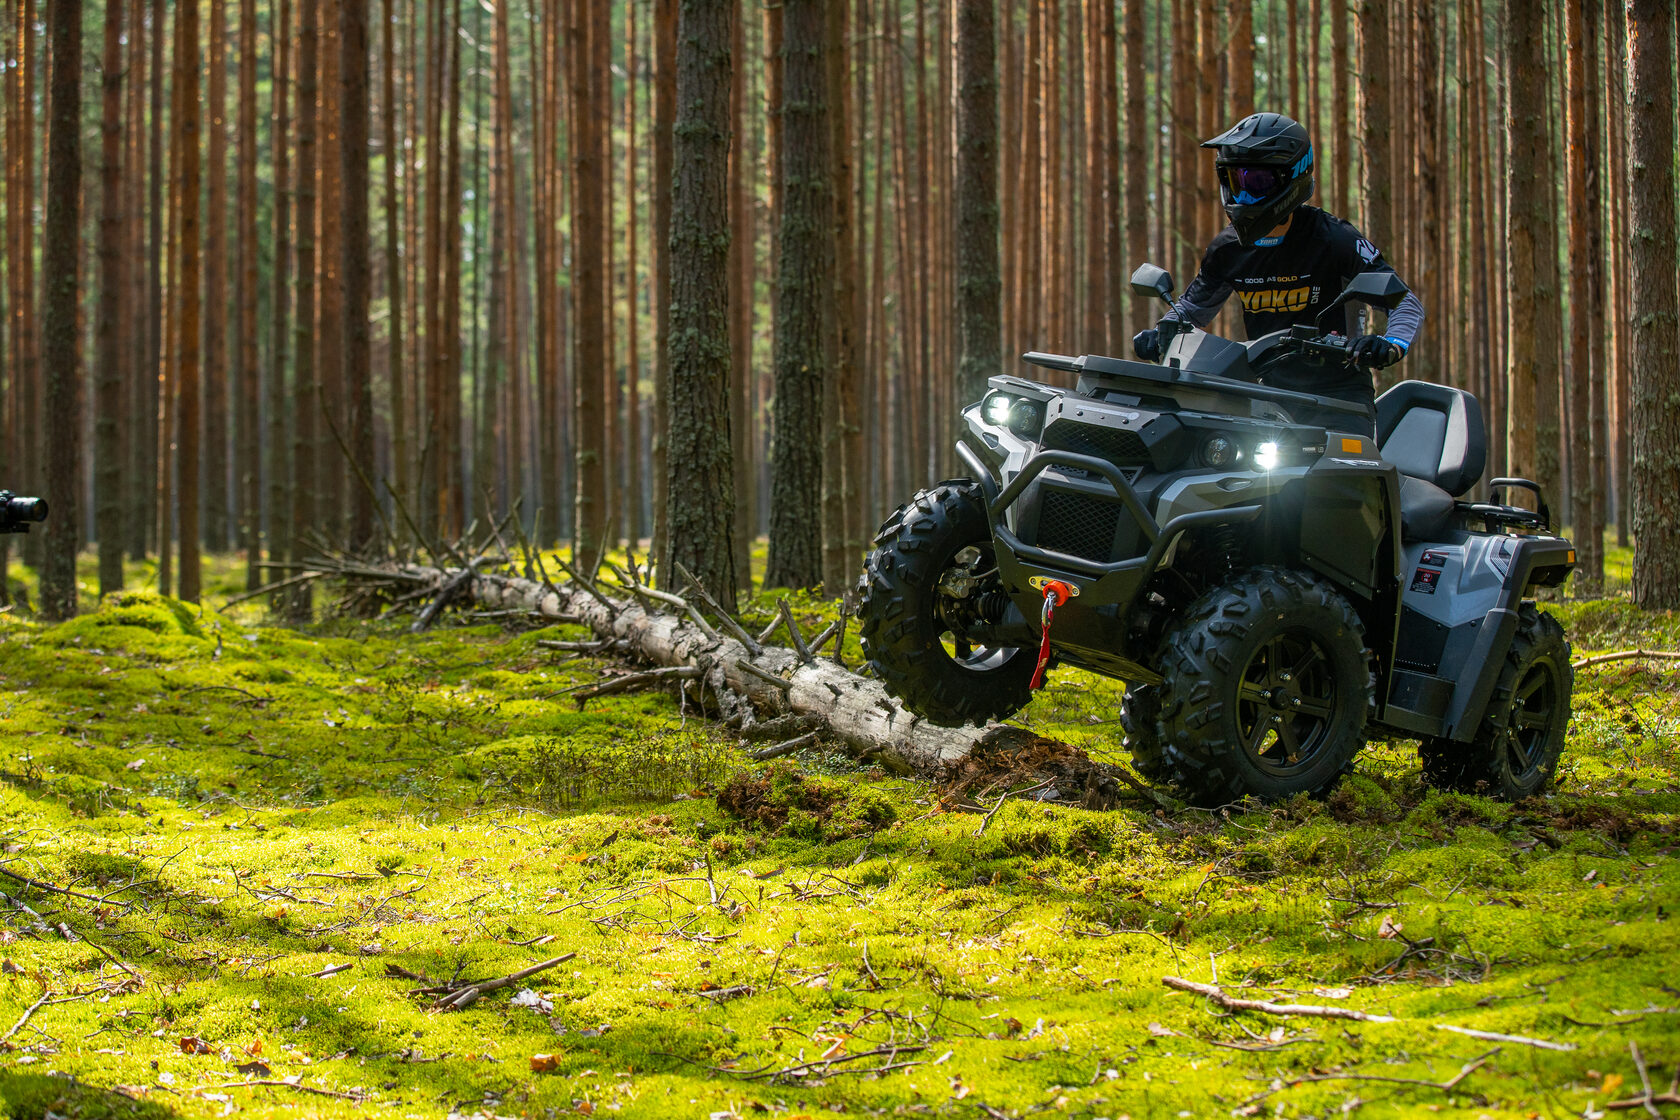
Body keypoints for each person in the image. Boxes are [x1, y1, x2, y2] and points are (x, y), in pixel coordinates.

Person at [1133, 112, 1424, 435]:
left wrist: (1390, 343)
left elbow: (1404, 302)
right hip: (1262, 397)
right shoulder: (1227, 248)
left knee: (1343, 482)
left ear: (1292, 177)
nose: (1243, 196)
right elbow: (1191, 309)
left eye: (1256, 182)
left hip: (1339, 399)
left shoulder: (1334, 240)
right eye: (1235, 182)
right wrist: (1164, 331)